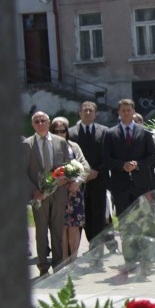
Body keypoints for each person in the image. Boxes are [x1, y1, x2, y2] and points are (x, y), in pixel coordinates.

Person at [102, 99, 155, 266]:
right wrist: (122, 166)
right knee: (126, 223)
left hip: (141, 185)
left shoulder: (144, 132)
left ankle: (146, 258)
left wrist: (137, 164)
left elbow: (152, 156)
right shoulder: (111, 134)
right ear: (119, 112)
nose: (126, 113)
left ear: (134, 112)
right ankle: (130, 258)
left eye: (129, 110)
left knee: (144, 222)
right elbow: (106, 158)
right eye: (123, 110)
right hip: (121, 187)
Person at [25, 111, 70, 275]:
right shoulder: (27, 145)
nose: (40, 123)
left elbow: (68, 165)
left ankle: (59, 266)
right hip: (39, 195)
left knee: (58, 231)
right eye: (36, 121)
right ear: (33, 125)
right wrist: (34, 191)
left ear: (48, 122)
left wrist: (66, 177)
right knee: (41, 231)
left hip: (58, 193)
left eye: (43, 120)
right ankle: (43, 267)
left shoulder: (60, 142)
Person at [67, 101, 110, 248]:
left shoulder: (104, 132)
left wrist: (96, 171)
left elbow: (107, 155)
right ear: (79, 113)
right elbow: (70, 157)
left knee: (98, 217)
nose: (87, 113)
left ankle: (97, 251)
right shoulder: (71, 133)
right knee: (79, 217)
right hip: (79, 182)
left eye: (90, 110)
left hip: (99, 179)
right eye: (84, 110)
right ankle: (74, 253)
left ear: (95, 114)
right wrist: (84, 174)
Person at [50, 117, 90, 260]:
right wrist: (57, 180)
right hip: (57, 192)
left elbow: (85, 167)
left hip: (74, 191)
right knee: (61, 227)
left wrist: (77, 181)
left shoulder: (74, 146)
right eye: (56, 131)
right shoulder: (49, 147)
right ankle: (64, 261)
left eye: (63, 130)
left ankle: (74, 260)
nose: (60, 133)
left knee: (74, 227)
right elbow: (46, 170)